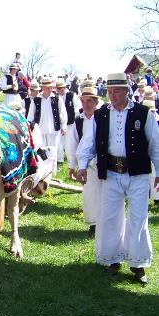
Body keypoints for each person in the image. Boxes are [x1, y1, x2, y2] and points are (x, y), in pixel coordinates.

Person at [77, 72, 159, 284]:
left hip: (138, 174)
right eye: (110, 92)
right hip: (111, 173)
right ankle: (113, 259)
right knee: (110, 217)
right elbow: (90, 141)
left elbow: (155, 145)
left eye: (116, 92)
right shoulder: (101, 114)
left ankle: (138, 263)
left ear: (126, 91)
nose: (112, 96)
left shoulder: (143, 113)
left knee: (138, 218)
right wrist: (83, 164)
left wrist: (158, 171)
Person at [66, 87, 102, 237]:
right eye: (83, 101)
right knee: (89, 195)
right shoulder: (79, 121)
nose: (86, 104)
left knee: (106, 194)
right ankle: (93, 224)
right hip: (85, 165)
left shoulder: (103, 118)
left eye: (89, 101)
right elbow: (72, 143)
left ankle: (105, 224)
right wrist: (72, 165)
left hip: (104, 162)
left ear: (96, 102)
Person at [27, 76, 68, 174]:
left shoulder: (57, 99)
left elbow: (63, 113)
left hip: (54, 130)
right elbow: (30, 115)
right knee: (41, 151)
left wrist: (64, 126)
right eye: (48, 88)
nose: (50, 89)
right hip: (40, 130)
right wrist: (30, 128)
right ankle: (42, 171)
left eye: (51, 87)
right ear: (43, 88)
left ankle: (52, 172)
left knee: (53, 151)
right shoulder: (36, 100)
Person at [55, 78, 82, 163]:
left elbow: (78, 107)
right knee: (59, 143)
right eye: (58, 88)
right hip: (60, 123)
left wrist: (75, 118)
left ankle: (72, 161)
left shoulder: (71, 95)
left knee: (70, 143)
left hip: (70, 123)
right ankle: (60, 160)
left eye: (61, 88)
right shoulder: (55, 97)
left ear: (64, 87)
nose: (59, 90)